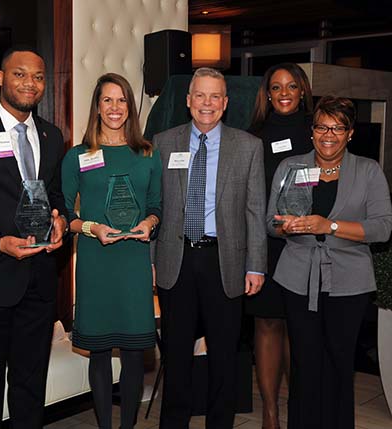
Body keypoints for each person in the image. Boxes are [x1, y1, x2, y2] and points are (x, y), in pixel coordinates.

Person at [0, 46, 68, 428]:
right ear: (1, 78)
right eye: (20, 74)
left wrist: (61, 222)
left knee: (30, 382)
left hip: (38, 280)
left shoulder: (52, 136)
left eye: (38, 77)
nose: (30, 83)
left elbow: (54, 195)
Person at [267, 96, 392, 429]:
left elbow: (382, 228)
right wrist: (287, 226)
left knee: (339, 363)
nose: (328, 134)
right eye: (322, 126)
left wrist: (330, 226)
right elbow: (271, 222)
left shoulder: (368, 171)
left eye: (338, 128)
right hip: (297, 279)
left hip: (349, 283)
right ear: (312, 131)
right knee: (304, 365)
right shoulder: (290, 167)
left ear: (350, 133)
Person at [152, 67, 267, 429]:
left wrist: (256, 266)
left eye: (215, 96)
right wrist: (149, 263)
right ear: (188, 101)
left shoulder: (248, 146)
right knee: (177, 355)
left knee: (223, 356)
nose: (207, 103)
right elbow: (153, 207)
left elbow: (255, 210)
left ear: (226, 102)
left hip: (226, 261)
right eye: (200, 95)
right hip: (176, 260)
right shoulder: (162, 142)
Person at [61, 73, 162, 429]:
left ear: (130, 107)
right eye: (107, 100)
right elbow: (64, 214)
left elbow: (156, 206)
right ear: (97, 107)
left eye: (121, 100)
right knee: (99, 354)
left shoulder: (147, 154)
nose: (115, 108)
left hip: (133, 262)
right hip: (95, 261)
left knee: (135, 354)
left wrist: (149, 223)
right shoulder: (78, 155)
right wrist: (91, 228)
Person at [246, 62, 314, 429]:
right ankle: (270, 415)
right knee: (268, 324)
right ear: (267, 94)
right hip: (266, 245)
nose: (284, 93)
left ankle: (298, 412)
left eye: (291, 86)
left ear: (302, 91)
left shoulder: (318, 132)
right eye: (276, 88)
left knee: (299, 327)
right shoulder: (252, 136)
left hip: (308, 244)